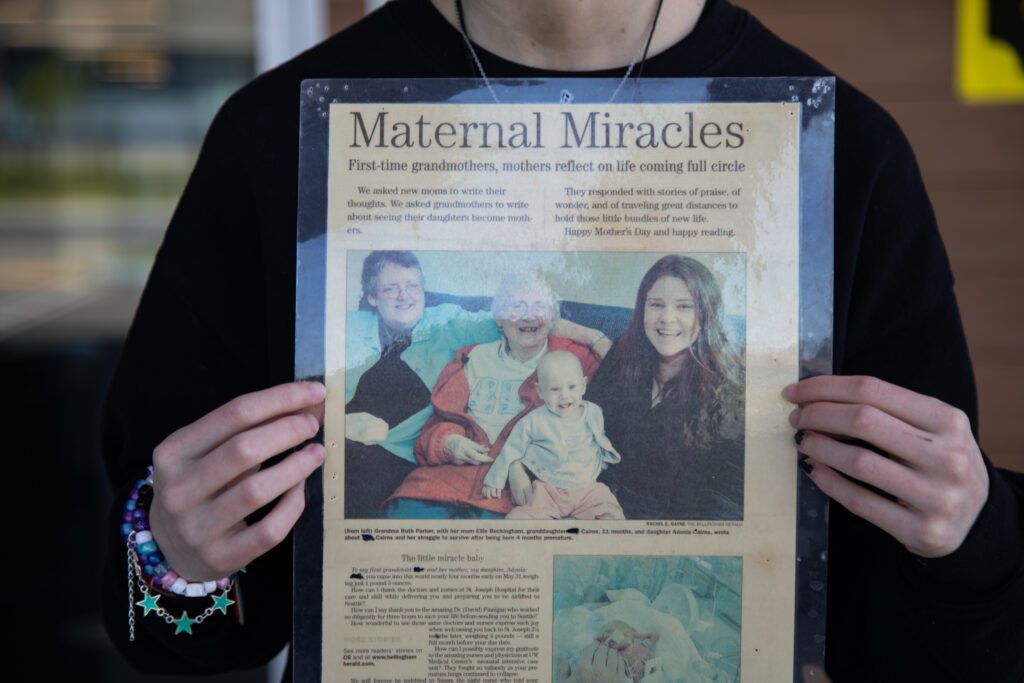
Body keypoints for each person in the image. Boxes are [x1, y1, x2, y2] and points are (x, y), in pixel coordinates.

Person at [101, 0, 1024, 680]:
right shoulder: (275, 141)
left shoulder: (841, 154)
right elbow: (165, 626)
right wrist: (171, 564)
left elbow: (920, 645)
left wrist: (974, 538)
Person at [385, 272, 606, 517]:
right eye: (517, 306)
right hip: (438, 485)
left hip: (507, 499)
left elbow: (629, 371)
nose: (528, 315)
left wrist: (587, 335)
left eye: (539, 307)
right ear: (499, 319)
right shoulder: (474, 357)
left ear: (552, 317)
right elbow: (434, 426)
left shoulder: (572, 360)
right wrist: (449, 442)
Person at [343, 249, 499, 517]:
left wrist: (591, 337)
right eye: (391, 289)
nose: (404, 296)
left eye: (412, 286)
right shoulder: (347, 326)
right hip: (336, 435)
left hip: (393, 454)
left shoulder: (447, 321)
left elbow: (516, 321)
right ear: (372, 297)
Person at [588, 255, 744, 520]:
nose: (667, 318)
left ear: (706, 314)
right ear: (642, 310)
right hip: (597, 507)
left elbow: (727, 500)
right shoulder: (620, 357)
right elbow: (582, 430)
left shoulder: (731, 388)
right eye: (656, 304)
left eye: (684, 307)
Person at [482, 350, 625, 520]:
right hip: (548, 489)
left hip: (589, 488)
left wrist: (605, 461)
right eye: (555, 389)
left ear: (583, 386)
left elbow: (599, 439)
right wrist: (494, 480)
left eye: (571, 387)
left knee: (611, 511)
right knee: (521, 518)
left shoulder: (594, 412)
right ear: (540, 391)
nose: (564, 396)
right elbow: (511, 449)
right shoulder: (535, 420)